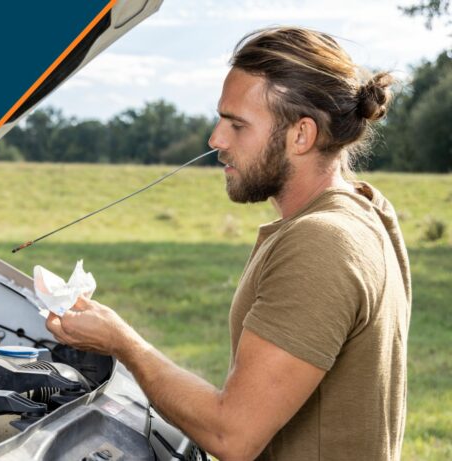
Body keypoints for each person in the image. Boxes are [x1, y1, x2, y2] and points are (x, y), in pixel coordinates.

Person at [46, 27, 411, 461]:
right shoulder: (366, 208)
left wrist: (123, 342)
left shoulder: (321, 243)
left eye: (237, 125)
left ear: (302, 135)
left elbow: (231, 435)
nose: (216, 140)